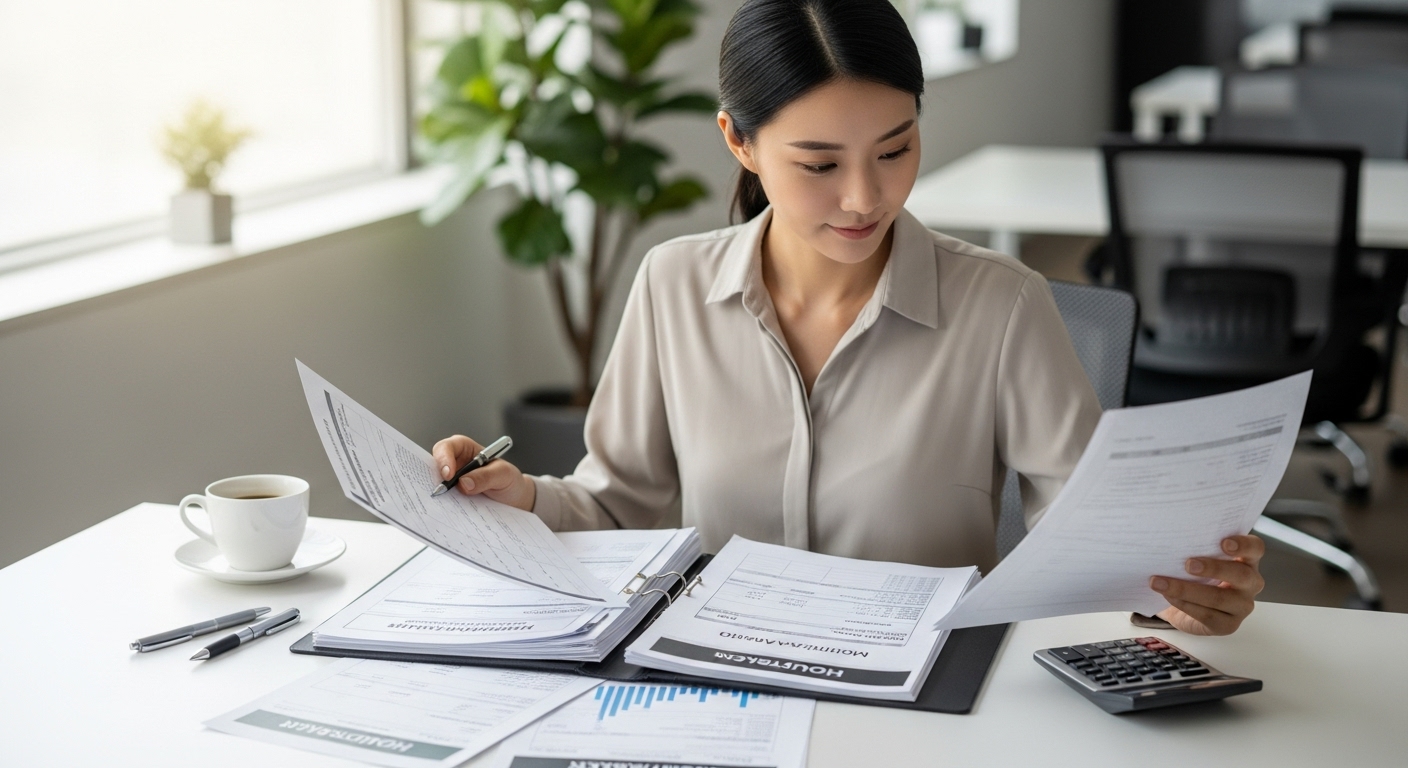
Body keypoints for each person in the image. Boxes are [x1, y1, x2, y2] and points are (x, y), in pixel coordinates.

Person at [433, 0, 1264, 636]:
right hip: (722, 689)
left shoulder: (1003, 306)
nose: (866, 198)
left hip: (925, 709)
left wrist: (1182, 593)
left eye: (895, 149)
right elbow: (616, 508)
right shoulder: (671, 286)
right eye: (820, 164)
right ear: (740, 142)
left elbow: (1091, 549)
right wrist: (526, 498)